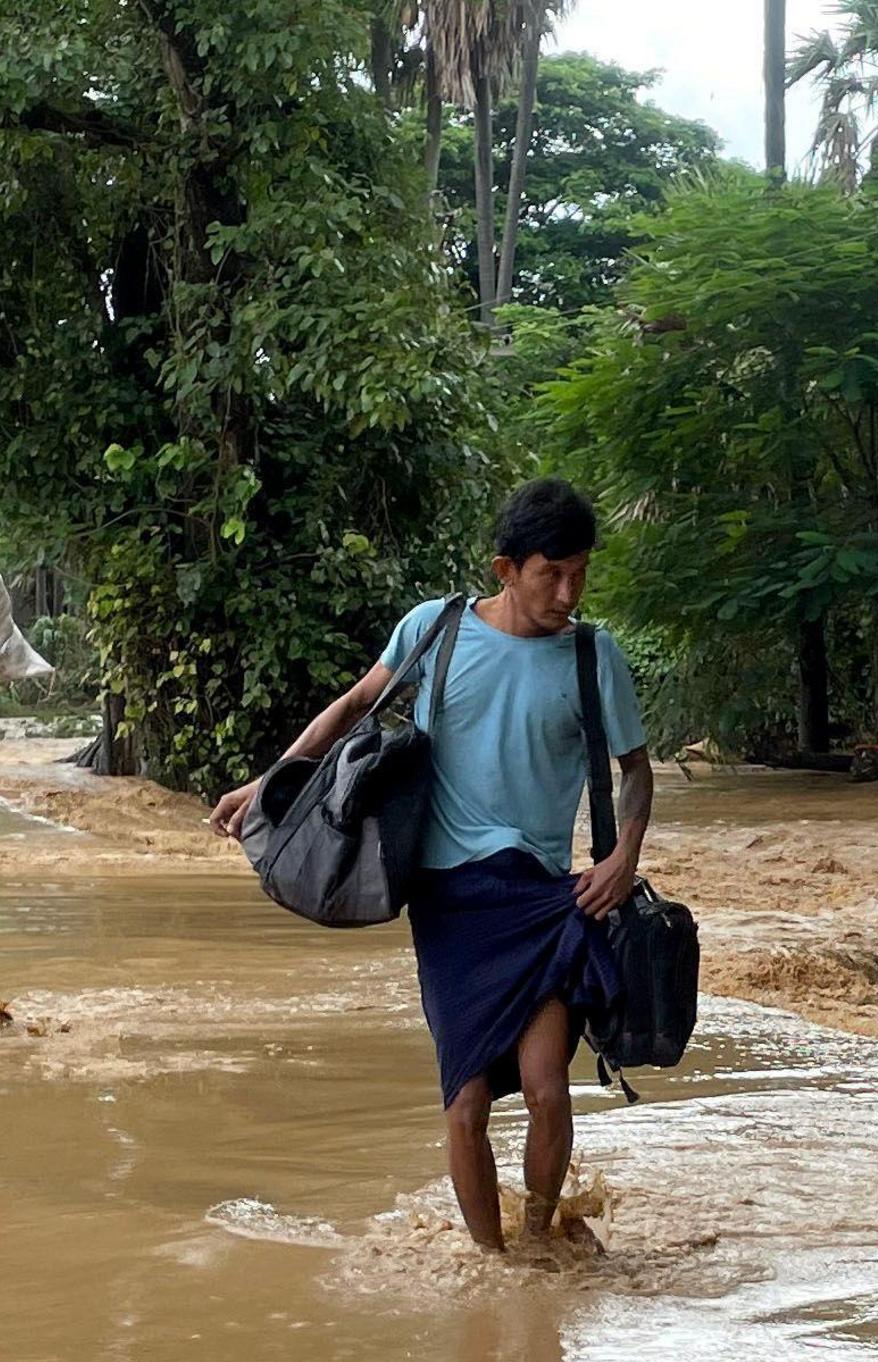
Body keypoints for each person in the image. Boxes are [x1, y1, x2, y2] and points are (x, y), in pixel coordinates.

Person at [207, 477, 650, 1258]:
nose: (569, 590)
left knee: (549, 1088)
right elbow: (352, 706)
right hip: (450, 903)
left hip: (549, 898)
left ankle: (539, 1243)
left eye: (581, 571)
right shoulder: (435, 628)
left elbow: (635, 768)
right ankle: (493, 1262)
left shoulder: (593, 654)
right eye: (553, 572)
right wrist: (268, 779)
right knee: (467, 1104)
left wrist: (623, 855)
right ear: (505, 568)